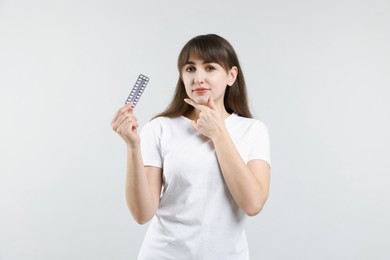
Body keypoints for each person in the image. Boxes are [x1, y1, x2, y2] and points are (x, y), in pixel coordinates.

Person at [111, 34, 271, 260]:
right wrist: (133, 148)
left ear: (231, 75)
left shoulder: (253, 130)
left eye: (210, 68)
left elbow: (253, 204)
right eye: (190, 69)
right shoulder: (159, 128)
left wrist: (218, 133)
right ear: (182, 76)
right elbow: (142, 213)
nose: (198, 78)